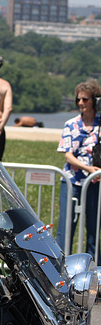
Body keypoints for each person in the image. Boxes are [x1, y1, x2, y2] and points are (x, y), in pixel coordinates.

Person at [56, 78, 101, 259]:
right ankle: (60, 267)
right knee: (66, 228)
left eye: (85, 99)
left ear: (95, 101)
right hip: (72, 181)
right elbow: (68, 155)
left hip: (95, 182)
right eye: (78, 99)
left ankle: (94, 272)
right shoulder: (71, 124)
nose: (81, 103)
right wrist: (88, 168)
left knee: (93, 229)